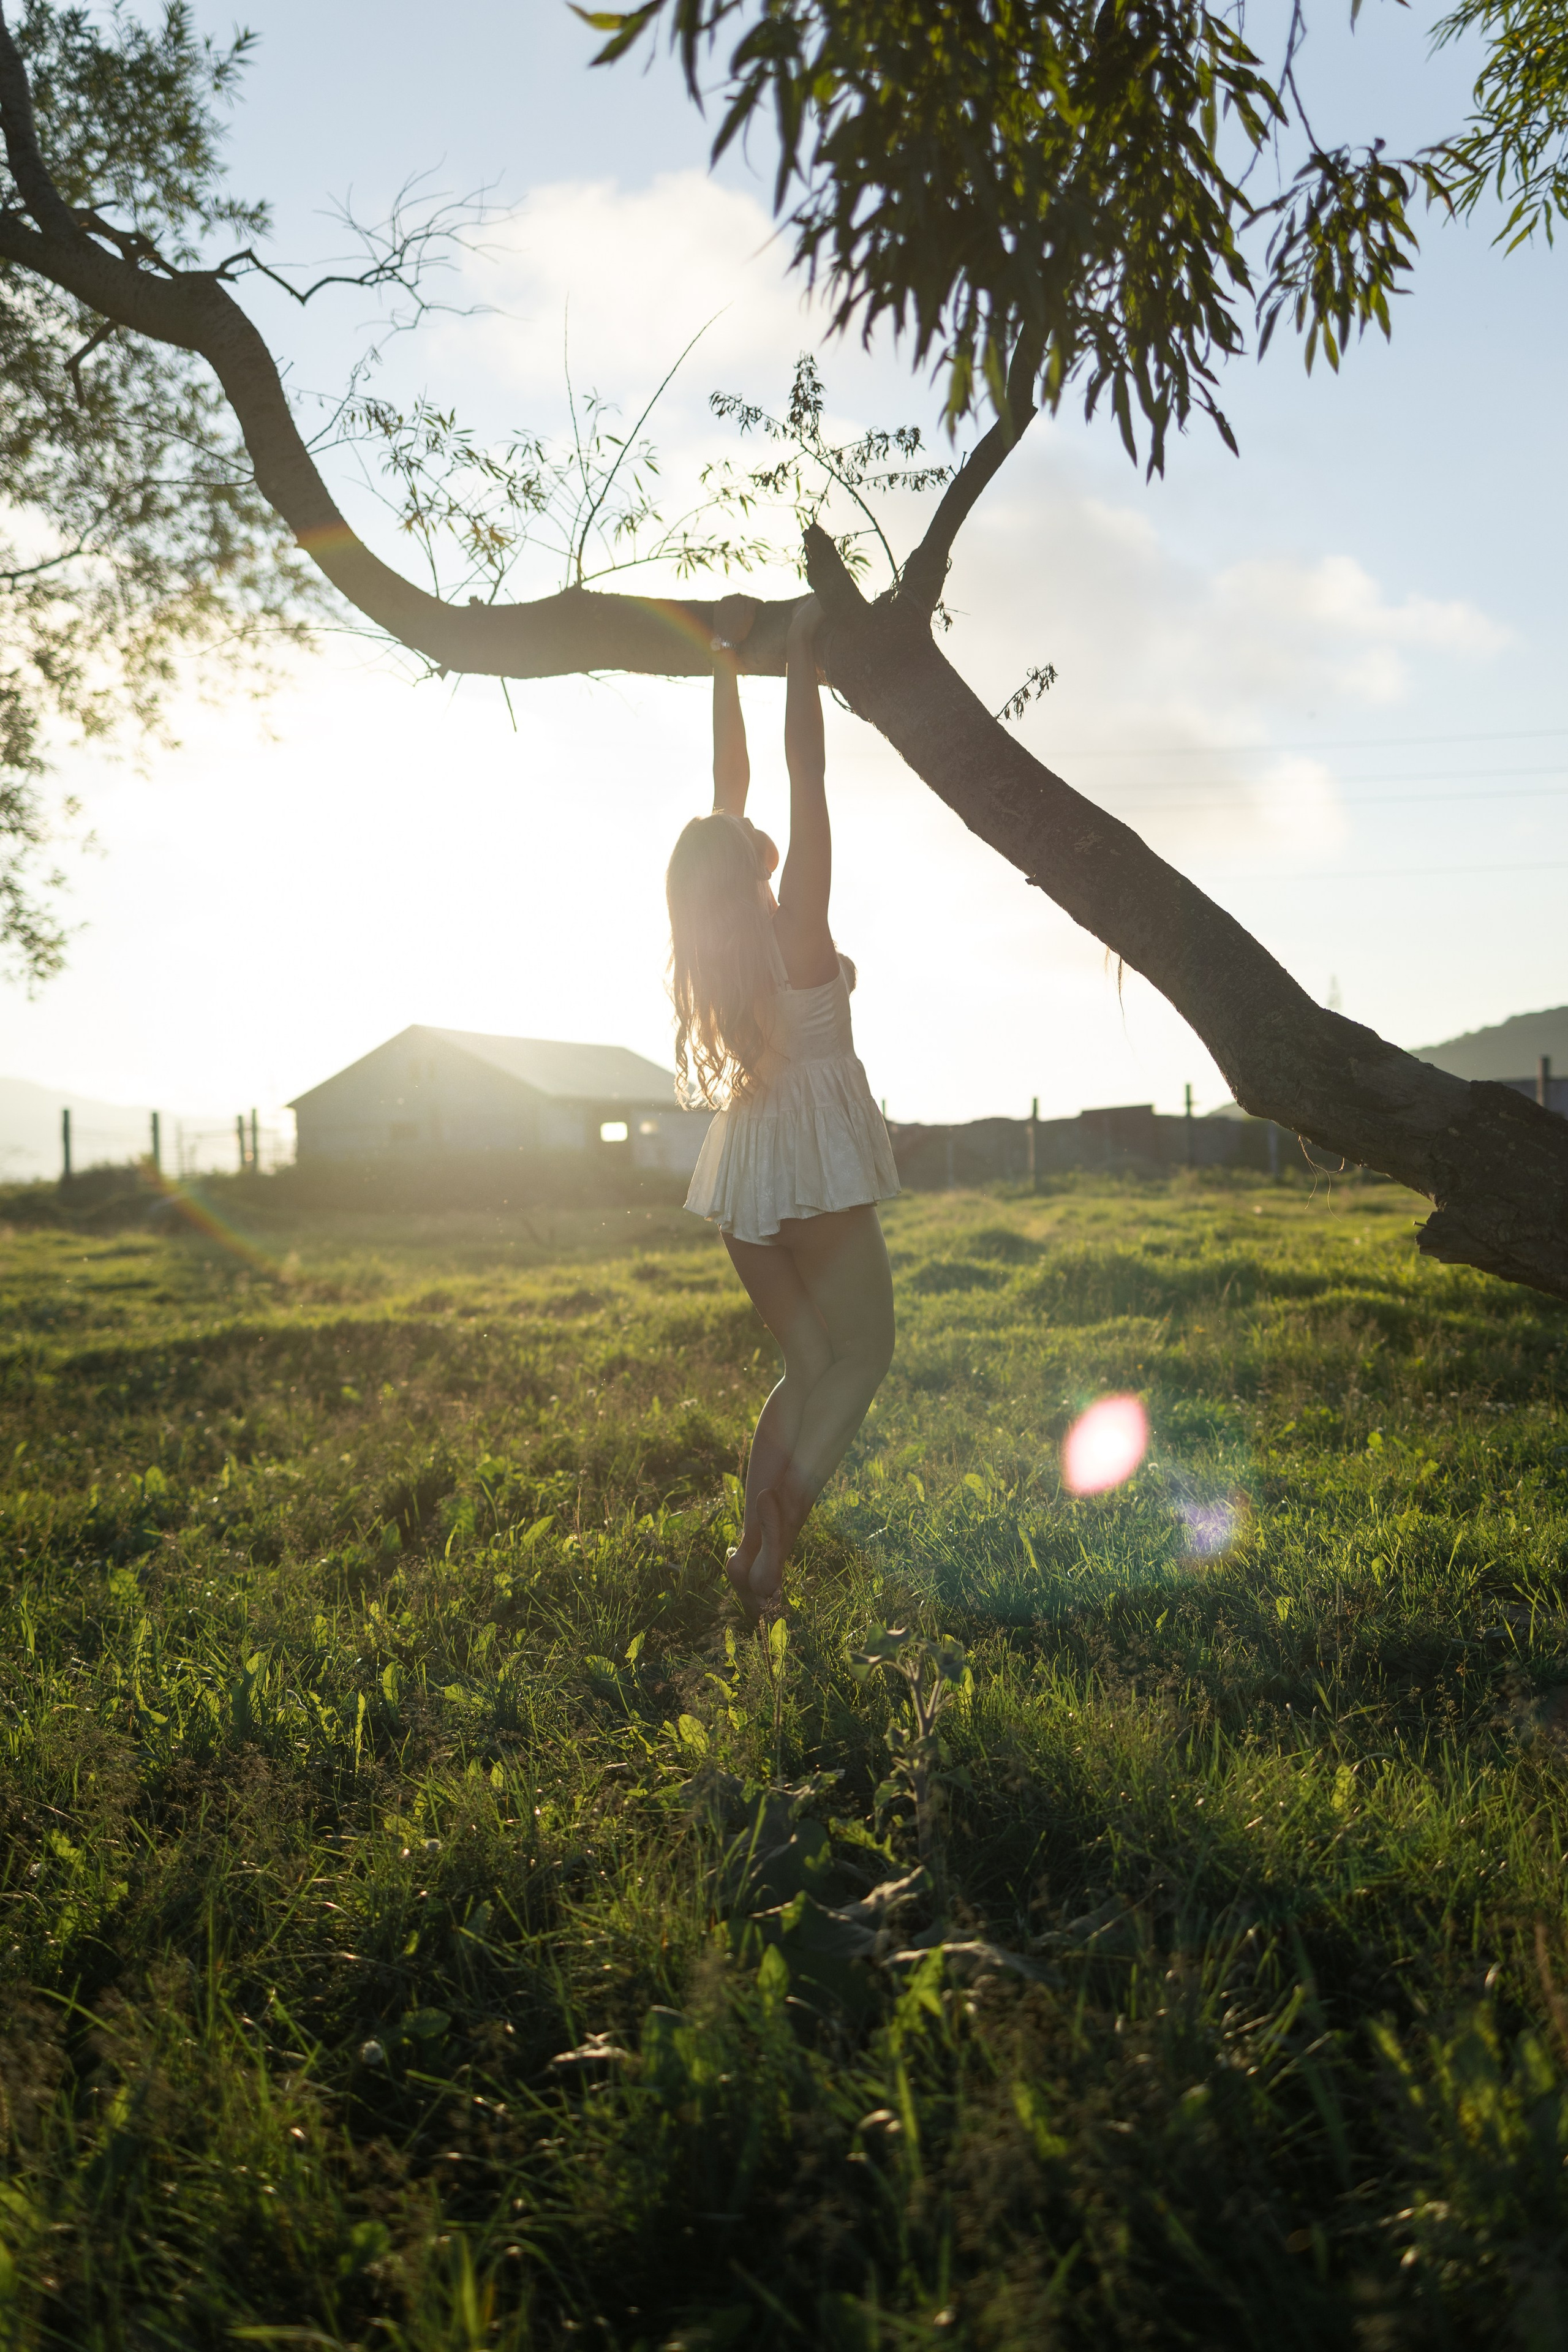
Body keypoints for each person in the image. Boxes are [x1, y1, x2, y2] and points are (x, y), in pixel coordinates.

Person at [666, 591, 900, 1617]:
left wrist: (727, 656)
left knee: (804, 1363)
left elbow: (737, 782)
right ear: (743, 860)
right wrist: (800, 651)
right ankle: (790, 1512)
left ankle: (752, 1557)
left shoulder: (719, 937)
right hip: (813, 1171)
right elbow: (802, 773)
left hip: (746, 1178)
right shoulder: (800, 920)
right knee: (866, 1354)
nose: (752, 819)